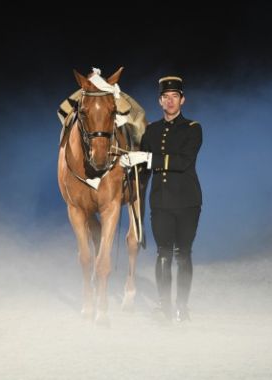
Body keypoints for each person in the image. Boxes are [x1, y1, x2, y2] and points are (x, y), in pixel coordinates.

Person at [119, 76, 203, 322]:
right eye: (165, 97)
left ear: (182, 100)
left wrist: (146, 158)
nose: (170, 101)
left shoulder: (193, 128)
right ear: (159, 101)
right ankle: (165, 307)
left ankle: (182, 308)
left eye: (174, 96)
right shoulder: (152, 130)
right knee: (163, 254)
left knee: (184, 254)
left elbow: (183, 162)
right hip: (161, 203)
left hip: (188, 203)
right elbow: (143, 167)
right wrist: (128, 164)